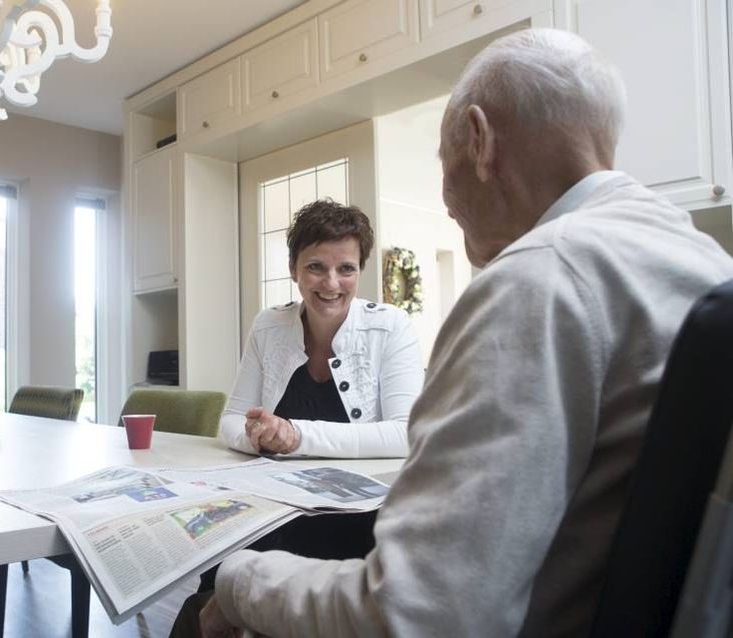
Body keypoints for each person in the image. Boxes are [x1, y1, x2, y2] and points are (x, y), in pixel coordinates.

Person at [196, 28, 733, 637]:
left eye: (441, 158)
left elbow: (417, 614)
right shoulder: (704, 261)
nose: (445, 193)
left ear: (478, 140)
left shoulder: (535, 281)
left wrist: (239, 581)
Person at [219, 198, 424, 459]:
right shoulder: (268, 325)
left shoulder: (391, 326)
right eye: (316, 267)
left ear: (360, 270)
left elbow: (408, 434)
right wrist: (263, 438)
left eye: (346, 269)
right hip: (277, 489)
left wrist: (295, 436)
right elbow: (233, 419)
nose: (331, 283)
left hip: (366, 494)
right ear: (293, 268)